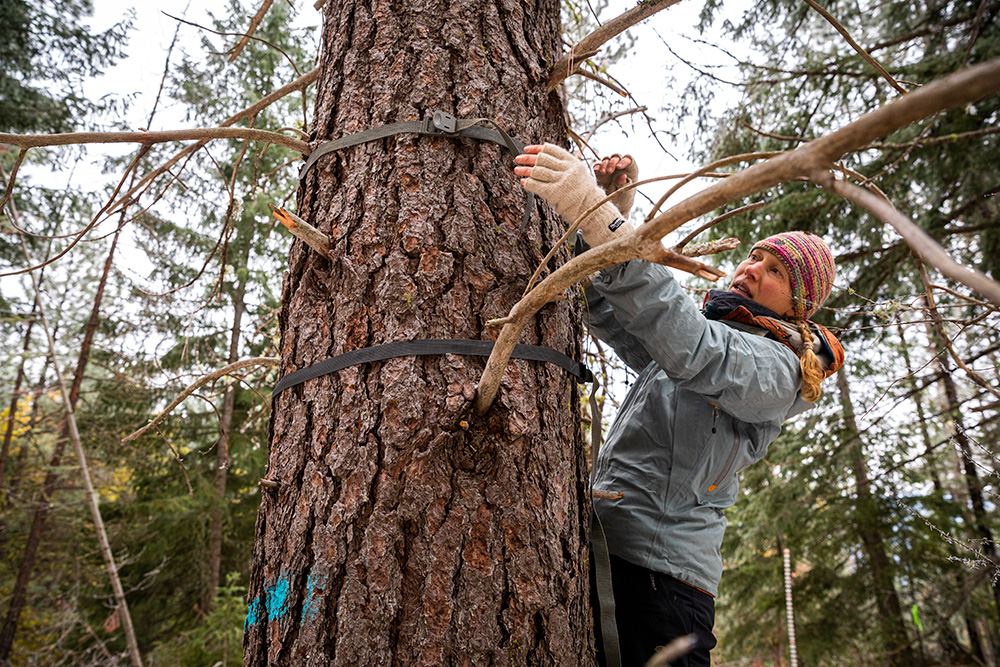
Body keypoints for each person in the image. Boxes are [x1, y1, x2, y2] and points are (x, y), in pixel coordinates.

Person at [513, 144, 844, 666]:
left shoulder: (780, 369)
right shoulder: (716, 335)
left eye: (776, 270)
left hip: (664, 581)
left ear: (799, 305)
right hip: (612, 546)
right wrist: (603, 224)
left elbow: (690, 347)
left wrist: (601, 216)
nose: (754, 268)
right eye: (756, 255)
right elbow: (617, 314)